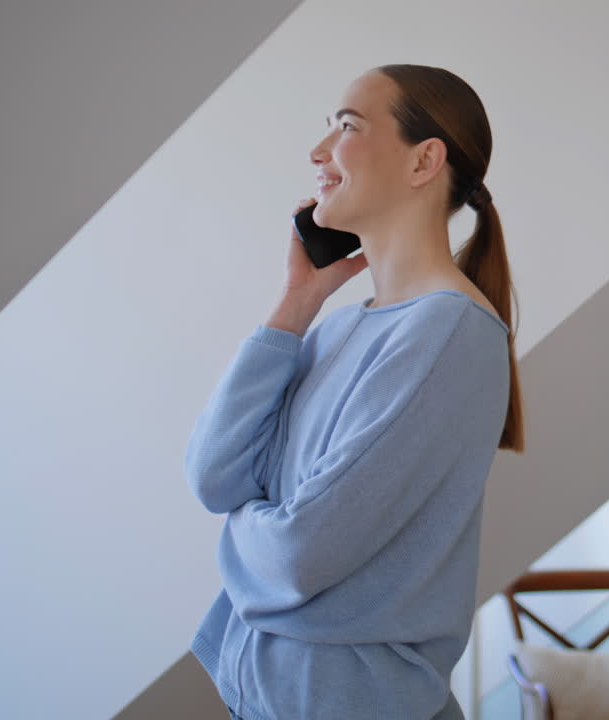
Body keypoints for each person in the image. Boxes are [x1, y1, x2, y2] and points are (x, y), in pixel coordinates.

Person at [184, 64, 524, 720]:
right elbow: (213, 477)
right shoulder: (340, 327)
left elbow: (298, 555)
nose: (318, 152)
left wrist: (240, 535)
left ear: (425, 159)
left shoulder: (449, 331)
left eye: (346, 127)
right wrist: (297, 301)